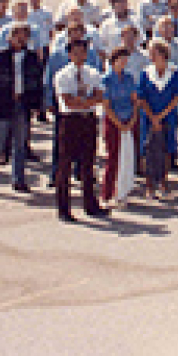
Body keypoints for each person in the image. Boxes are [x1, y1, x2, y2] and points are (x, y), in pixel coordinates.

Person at [0, 21, 45, 195]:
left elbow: (38, 82)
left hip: (22, 106)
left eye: (24, 35)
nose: (20, 39)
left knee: (20, 144)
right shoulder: (0, 57)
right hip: (3, 105)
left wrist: (37, 105)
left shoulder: (31, 58)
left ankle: (18, 180)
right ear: (10, 38)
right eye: (17, 35)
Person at [52, 37, 109, 222]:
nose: (79, 56)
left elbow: (100, 96)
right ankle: (63, 208)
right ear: (69, 54)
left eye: (82, 52)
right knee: (65, 165)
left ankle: (90, 204)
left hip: (88, 121)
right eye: (75, 52)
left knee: (88, 164)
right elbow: (67, 100)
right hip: (70, 121)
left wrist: (83, 102)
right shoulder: (62, 75)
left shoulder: (93, 73)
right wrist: (86, 101)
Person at [137, 39, 178, 199]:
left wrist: (161, 116)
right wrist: (153, 117)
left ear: (162, 54)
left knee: (166, 150)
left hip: (167, 117)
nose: (150, 55)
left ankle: (163, 184)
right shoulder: (145, 73)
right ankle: (149, 186)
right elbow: (141, 98)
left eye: (153, 52)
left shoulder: (174, 72)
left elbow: (177, 97)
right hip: (149, 118)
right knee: (149, 151)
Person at [100, 46, 141, 207]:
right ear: (113, 60)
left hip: (128, 120)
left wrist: (132, 120)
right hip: (113, 122)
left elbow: (134, 100)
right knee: (112, 158)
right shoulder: (106, 79)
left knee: (127, 157)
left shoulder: (129, 78)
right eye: (121, 59)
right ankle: (107, 194)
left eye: (126, 59)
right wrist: (118, 123)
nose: (124, 62)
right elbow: (106, 105)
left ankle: (122, 192)